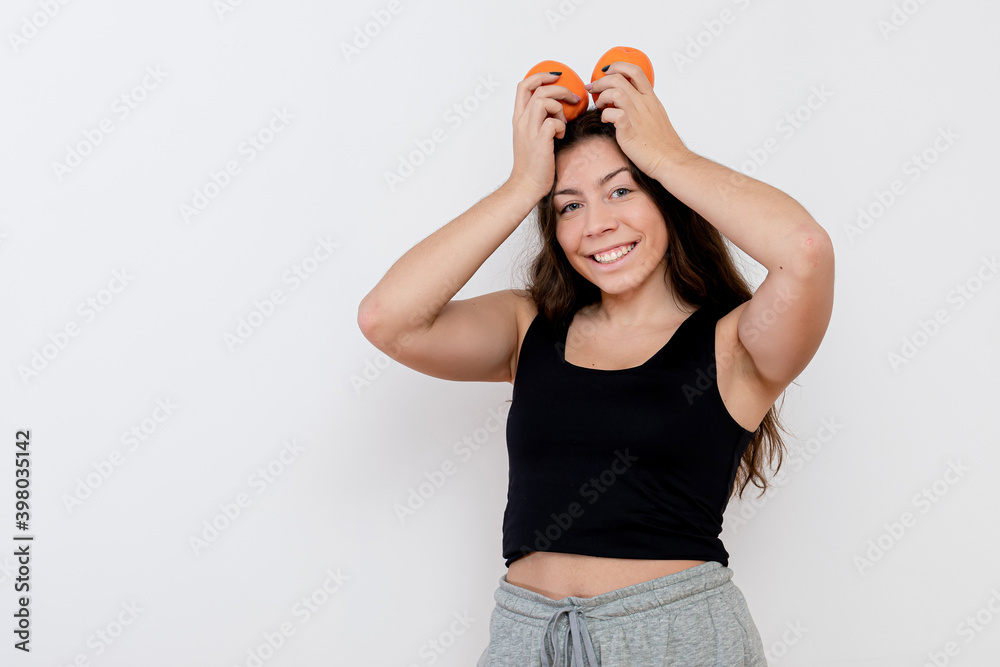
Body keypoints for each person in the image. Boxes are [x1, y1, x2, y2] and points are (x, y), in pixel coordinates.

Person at [358, 60, 834, 666]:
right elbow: (387, 319)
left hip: (673, 638)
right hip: (529, 636)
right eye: (569, 206)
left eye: (621, 190)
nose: (598, 224)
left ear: (667, 200)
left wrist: (665, 156)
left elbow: (806, 253)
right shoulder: (527, 327)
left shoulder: (734, 345)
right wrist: (521, 185)